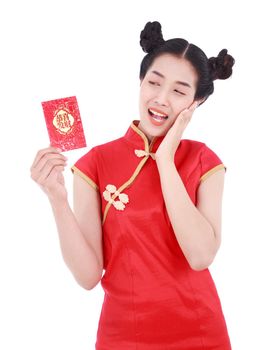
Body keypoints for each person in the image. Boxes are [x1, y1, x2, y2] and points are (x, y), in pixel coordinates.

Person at [30, 21, 235, 349]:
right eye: (154, 83)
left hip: (201, 332)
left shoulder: (204, 160)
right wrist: (57, 199)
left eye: (180, 91)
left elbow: (200, 255)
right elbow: (87, 277)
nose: (162, 99)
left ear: (195, 103)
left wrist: (166, 159)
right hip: (123, 336)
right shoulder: (95, 163)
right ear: (140, 82)